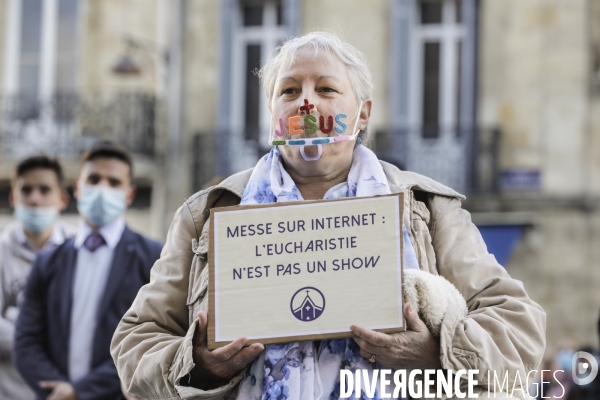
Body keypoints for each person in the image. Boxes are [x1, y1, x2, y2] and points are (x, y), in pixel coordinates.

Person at [111, 32, 546, 399]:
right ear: (272, 114)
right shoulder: (207, 214)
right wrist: (199, 365)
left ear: (363, 115)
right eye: (289, 90)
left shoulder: (427, 210)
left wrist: (436, 355)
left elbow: (520, 328)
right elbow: (135, 341)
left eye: (326, 89)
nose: (305, 105)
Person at [14, 141, 163, 400]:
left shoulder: (153, 258)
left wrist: (80, 392)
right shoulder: (48, 262)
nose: (102, 189)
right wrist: (59, 390)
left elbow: (155, 340)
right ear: (77, 187)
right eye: (93, 179)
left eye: (114, 182)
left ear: (129, 194)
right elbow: (26, 341)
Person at [0, 156, 73, 400]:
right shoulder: (2, 251)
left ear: (62, 199)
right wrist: (45, 335)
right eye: (26, 190)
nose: (34, 198)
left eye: (44, 190)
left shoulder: (78, 251)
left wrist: (16, 321)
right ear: (13, 197)